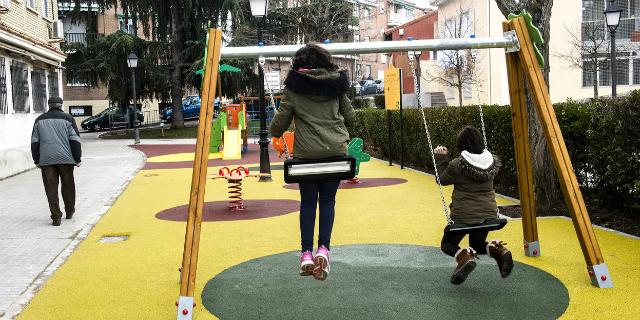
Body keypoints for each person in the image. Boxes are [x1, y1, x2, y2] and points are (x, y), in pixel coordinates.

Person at [270, 43, 354, 281]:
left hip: (307, 156)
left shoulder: (294, 90)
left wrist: (277, 127)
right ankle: (324, 250)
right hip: (335, 153)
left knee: (308, 203)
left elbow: (278, 126)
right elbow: (351, 118)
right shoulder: (336, 87)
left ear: (299, 64)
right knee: (328, 201)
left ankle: (306, 254)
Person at [434, 126, 513, 285]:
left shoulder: (457, 164)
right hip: (489, 214)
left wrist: (441, 157)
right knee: (476, 244)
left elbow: (441, 179)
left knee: (447, 244)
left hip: (464, 216)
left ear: (461, 145)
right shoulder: (492, 163)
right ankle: (499, 250)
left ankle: (464, 257)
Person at [31, 97, 82, 226]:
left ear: (49, 105)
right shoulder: (68, 118)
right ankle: (69, 211)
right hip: (66, 159)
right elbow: (75, 140)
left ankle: (56, 217)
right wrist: (77, 158)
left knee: (51, 188)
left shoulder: (39, 120)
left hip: (46, 160)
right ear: (61, 105)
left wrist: (36, 159)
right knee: (68, 185)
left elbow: (34, 142)